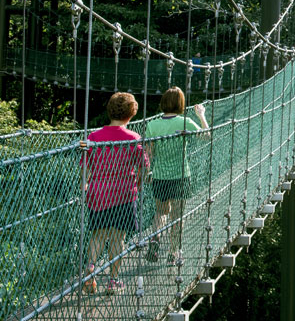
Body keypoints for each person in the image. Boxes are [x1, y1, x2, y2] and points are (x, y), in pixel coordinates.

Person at [81, 92, 148, 295]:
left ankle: (91, 269)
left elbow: (84, 168)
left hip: (98, 194)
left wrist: (85, 185)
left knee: (98, 236)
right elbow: (144, 168)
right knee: (118, 238)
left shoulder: (93, 137)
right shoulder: (133, 138)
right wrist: (137, 182)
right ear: (131, 113)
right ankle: (113, 281)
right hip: (124, 194)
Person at [143, 87, 209, 265]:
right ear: (181, 104)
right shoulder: (184, 122)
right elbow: (206, 135)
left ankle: (155, 238)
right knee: (177, 216)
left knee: (160, 212)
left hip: (160, 175)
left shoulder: (152, 125)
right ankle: (174, 252)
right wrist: (201, 114)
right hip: (180, 176)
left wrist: (148, 172)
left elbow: (148, 154)